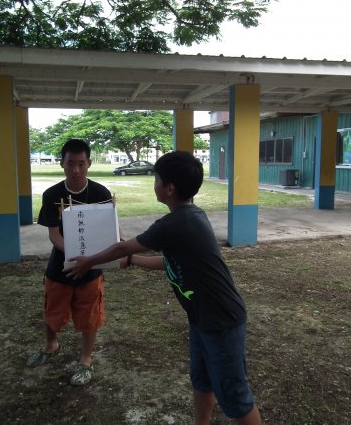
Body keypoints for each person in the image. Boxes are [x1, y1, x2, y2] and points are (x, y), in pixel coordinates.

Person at [66, 151, 263, 424]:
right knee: (202, 380)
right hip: (202, 318)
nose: (154, 184)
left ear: (169, 188)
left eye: (156, 180)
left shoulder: (175, 223)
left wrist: (89, 262)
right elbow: (170, 263)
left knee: (235, 396)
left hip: (221, 320)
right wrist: (132, 261)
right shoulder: (190, 216)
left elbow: (123, 247)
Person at [26, 138, 112, 387]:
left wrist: (99, 256)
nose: (76, 170)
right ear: (62, 163)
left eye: (81, 164)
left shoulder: (101, 194)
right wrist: (74, 254)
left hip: (92, 266)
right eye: (70, 163)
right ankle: (50, 344)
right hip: (60, 265)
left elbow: (108, 230)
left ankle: (86, 359)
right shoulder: (52, 195)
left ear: (89, 164)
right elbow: (54, 235)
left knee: (90, 313)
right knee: (53, 307)